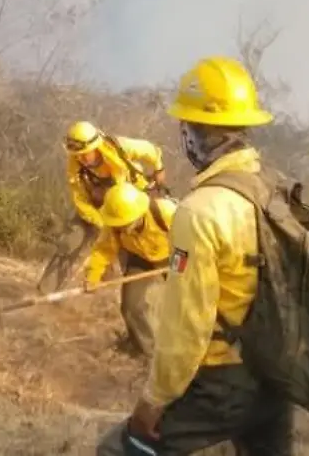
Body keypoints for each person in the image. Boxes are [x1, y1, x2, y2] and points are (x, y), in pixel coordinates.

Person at [97, 56, 294, 456]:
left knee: (120, 450)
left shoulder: (200, 210)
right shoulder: (273, 190)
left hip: (225, 377)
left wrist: (152, 402)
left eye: (185, 125)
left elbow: (187, 326)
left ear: (196, 132)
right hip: (276, 371)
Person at [38, 121, 167, 293]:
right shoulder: (75, 166)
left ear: (96, 145)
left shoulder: (120, 147)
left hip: (128, 205)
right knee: (70, 242)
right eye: (76, 154)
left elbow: (150, 150)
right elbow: (80, 200)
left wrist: (159, 168)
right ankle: (46, 291)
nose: (80, 158)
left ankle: (131, 298)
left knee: (129, 251)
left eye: (85, 153)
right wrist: (101, 223)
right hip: (96, 209)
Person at [83, 182, 175, 357]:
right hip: (140, 259)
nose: (120, 228)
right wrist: (92, 277)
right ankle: (149, 353)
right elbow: (103, 251)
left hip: (174, 257)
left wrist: (181, 263)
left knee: (186, 304)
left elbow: (193, 238)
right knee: (131, 307)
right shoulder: (114, 227)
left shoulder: (167, 212)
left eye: (124, 223)